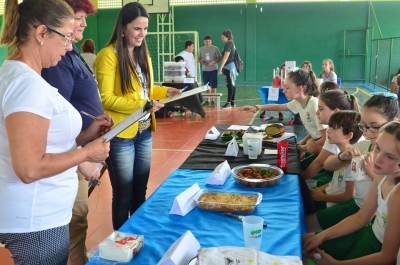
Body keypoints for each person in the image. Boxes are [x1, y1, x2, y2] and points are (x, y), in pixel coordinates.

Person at [0, 0, 110, 264]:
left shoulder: (18, 75)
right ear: (41, 34)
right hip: (36, 220)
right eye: (66, 38)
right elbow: (29, 168)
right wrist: (86, 154)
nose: (71, 47)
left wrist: (86, 136)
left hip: (37, 216)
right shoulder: (28, 86)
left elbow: (45, 142)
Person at [95, 2, 181, 230]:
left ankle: (138, 235)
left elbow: (146, 89)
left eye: (145, 29)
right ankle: (122, 241)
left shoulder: (144, 55)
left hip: (144, 133)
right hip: (122, 134)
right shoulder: (108, 56)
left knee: (140, 191)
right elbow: (106, 98)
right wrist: (143, 106)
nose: (142, 34)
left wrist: (165, 91)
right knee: (123, 194)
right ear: (123, 28)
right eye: (137, 29)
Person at [41, 0, 109, 264]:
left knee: (78, 222)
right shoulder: (58, 61)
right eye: (78, 18)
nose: (82, 24)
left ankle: (77, 257)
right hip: (73, 154)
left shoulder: (72, 53)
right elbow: (57, 119)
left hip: (81, 147)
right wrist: (80, 156)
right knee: (74, 222)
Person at [303, 121, 400, 265]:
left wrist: (336, 264)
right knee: (305, 242)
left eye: (390, 156)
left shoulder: (397, 195)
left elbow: (387, 257)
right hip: (367, 235)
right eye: (378, 148)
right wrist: (322, 236)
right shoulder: (382, 176)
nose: (378, 159)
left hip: (377, 250)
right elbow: (361, 217)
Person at [306, 94, 399, 233]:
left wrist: (371, 172)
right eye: (364, 126)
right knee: (306, 226)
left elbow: (389, 190)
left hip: (371, 219)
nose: (368, 132)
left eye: (374, 126)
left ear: (393, 122)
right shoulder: (362, 146)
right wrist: (341, 156)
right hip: (355, 207)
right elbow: (328, 165)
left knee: (308, 228)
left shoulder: (394, 158)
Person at [240, 69, 327, 158]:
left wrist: (304, 148)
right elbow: (278, 107)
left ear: (300, 89)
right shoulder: (298, 102)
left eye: (287, 88)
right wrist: (257, 107)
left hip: (325, 148)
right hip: (316, 144)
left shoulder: (314, 105)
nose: (283, 91)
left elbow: (326, 138)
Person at [302, 90, 360, 188]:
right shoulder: (334, 129)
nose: (317, 113)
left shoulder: (337, 132)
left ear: (336, 111)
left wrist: (300, 184)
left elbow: (319, 163)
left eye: (321, 109)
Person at [308, 111, 362, 211]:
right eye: (329, 127)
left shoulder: (353, 159)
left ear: (348, 135)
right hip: (328, 199)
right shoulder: (341, 155)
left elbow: (348, 196)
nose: (328, 131)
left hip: (336, 206)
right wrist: (318, 190)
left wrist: (322, 197)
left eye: (334, 128)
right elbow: (335, 184)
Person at [198, 34, 221, 107]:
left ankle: (213, 101)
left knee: (213, 85)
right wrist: (202, 62)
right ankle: (207, 101)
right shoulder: (201, 49)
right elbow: (199, 58)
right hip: (205, 70)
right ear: (204, 42)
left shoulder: (215, 48)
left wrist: (213, 62)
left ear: (211, 41)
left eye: (209, 41)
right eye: (206, 42)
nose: (207, 43)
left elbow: (219, 58)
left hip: (213, 69)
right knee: (207, 85)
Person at [218, 29, 238, 109]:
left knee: (230, 85)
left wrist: (221, 67)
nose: (222, 39)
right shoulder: (231, 44)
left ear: (227, 37)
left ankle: (228, 102)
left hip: (229, 67)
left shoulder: (228, 44)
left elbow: (226, 56)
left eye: (223, 37)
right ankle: (232, 102)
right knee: (232, 84)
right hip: (230, 66)